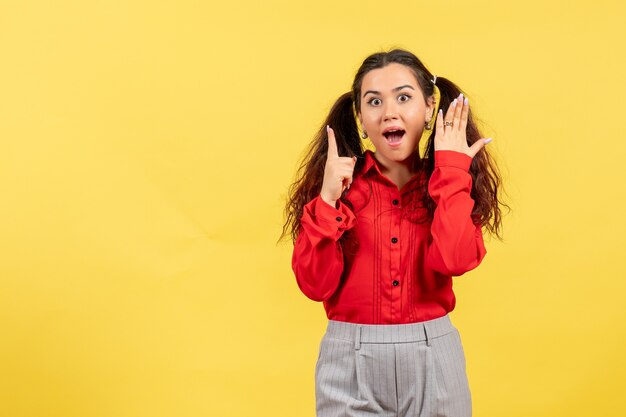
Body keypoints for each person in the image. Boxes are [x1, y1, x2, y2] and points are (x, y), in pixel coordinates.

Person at [280, 49, 507, 417]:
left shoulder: (449, 185)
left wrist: (452, 172)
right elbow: (314, 285)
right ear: (360, 117)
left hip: (434, 356)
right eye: (374, 102)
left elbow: (455, 259)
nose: (389, 112)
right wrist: (326, 200)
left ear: (431, 108)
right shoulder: (338, 189)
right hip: (349, 363)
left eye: (404, 97)